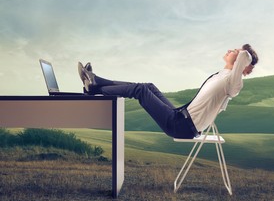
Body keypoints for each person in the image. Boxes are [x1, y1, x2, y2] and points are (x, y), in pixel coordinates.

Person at [78, 44, 258, 139]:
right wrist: (239, 56)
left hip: (181, 127)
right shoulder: (222, 75)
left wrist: (244, 55)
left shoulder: (234, 83)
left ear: (242, 62)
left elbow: (245, 57)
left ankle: (94, 86)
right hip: (180, 116)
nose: (230, 50)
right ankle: (96, 83)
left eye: (235, 51)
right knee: (148, 86)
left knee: (140, 91)